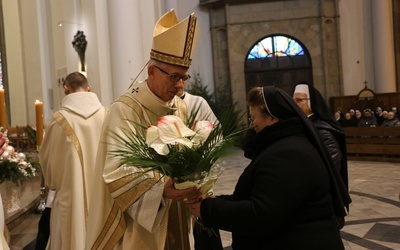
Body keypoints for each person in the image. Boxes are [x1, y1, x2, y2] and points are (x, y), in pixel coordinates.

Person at [85, 9, 202, 250]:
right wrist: (160, 188)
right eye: (173, 77)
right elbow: (117, 171)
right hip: (138, 227)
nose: (180, 86)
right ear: (151, 72)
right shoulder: (125, 109)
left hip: (176, 214)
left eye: (184, 77)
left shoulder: (179, 107)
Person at [188, 86, 351, 249]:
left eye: (253, 118)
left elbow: (262, 215)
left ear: (272, 118)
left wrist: (208, 210)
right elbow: (263, 196)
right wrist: (218, 201)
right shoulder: (285, 145)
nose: (252, 125)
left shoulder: (289, 154)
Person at [38, 72, 107, 249]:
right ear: (89, 87)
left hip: (70, 199)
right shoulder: (107, 115)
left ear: (66, 89)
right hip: (104, 197)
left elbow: (50, 171)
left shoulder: (58, 121)